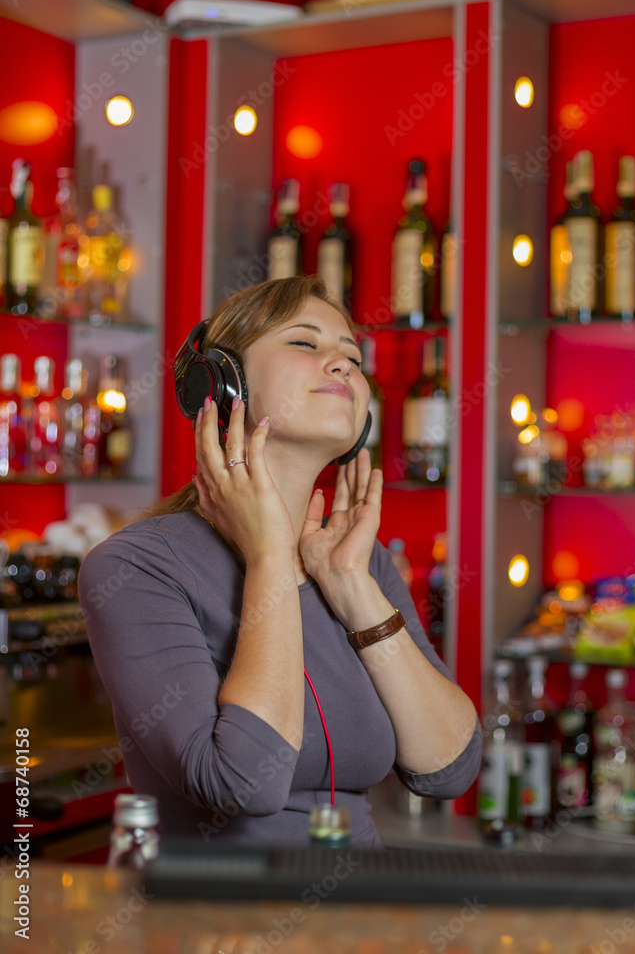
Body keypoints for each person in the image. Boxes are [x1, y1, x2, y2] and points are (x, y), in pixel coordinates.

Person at [78, 276, 482, 847]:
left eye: (353, 357)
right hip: (219, 928)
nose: (342, 364)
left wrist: (352, 586)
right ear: (222, 384)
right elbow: (242, 784)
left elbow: (451, 768)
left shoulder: (360, 565)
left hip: (354, 926)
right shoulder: (138, 567)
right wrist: (269, 556)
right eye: (305, 343)